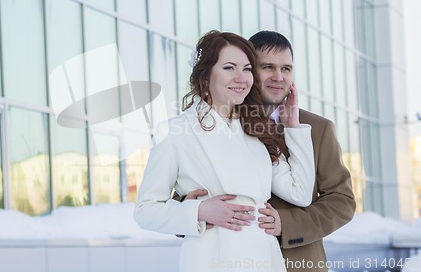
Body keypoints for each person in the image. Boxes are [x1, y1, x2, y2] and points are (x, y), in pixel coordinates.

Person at [134, 30, 315, 272]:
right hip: (213, 258)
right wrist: (198, 210)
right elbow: (145, 210)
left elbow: (300, 193)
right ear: (206, 76)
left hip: (264, 259)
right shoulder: (176, 131)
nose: (242, 78)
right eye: (229, 68)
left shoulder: (257, 128)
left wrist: (293, 126)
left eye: (248, 69)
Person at [180, 31, 356, 272]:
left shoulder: (318, 128)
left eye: (286, 69)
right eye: (268, 67)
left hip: (300, 265)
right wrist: (192, 209)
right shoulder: (217, 124)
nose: (278, 77)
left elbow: (342, 201)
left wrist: (287, 224)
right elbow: (183, 192)